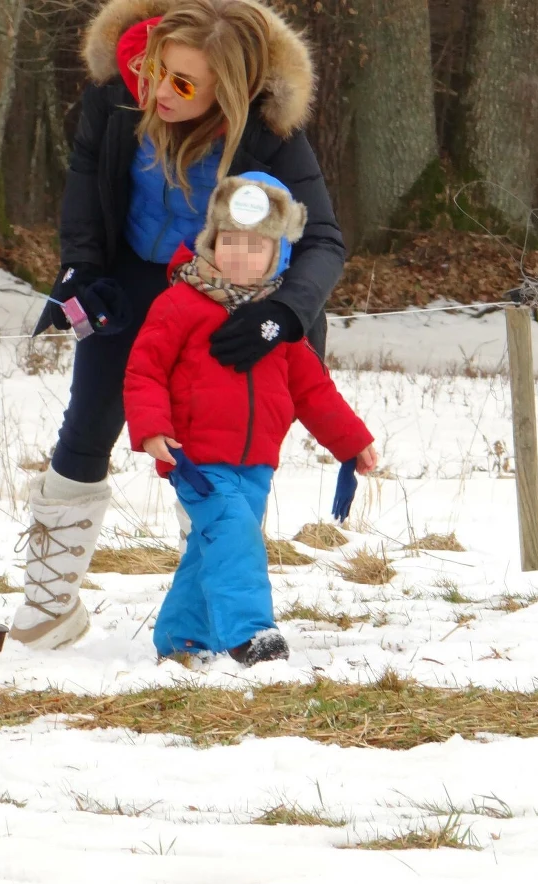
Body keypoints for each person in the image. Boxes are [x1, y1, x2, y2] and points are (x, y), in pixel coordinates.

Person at [12, 0, 348, 649]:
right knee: (86, 425)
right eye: (157, 72)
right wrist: (79, 272)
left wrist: (280, 316)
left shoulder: (272, 136)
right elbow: (86, 184)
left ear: (230, 90)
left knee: (218, 457)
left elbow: (325, 240)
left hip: (239, 304)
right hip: (134, 278)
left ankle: (212, 613)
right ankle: (50, 601)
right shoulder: (114, 99)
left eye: (184, 84)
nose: (160, 92)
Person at [124, 171, 376, 665]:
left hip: (257, 463)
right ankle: (251, 634)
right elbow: (144, 369)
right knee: (235, 536)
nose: (240, 254)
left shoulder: (276, 323)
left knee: (210, 548)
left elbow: (312, 389)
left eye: (255, 245)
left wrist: (351, 441)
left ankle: (180, 638)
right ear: (210, 242)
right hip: (194, 459)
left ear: (278, 255)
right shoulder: (179, 304)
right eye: (229, 241)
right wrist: (152, 427)